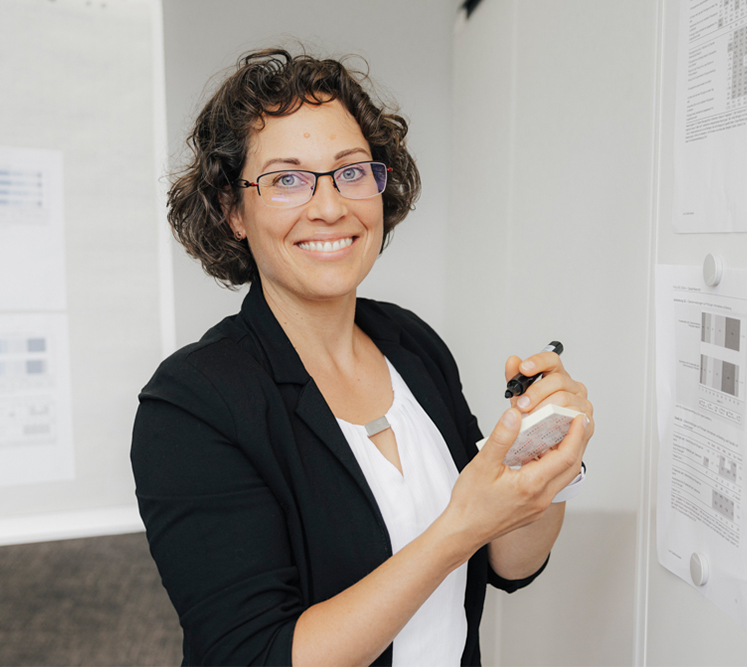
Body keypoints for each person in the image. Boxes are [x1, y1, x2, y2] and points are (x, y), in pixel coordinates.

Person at [131, 47, 594, 667]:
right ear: (232, 210)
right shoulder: (190, 406)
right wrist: (461, 525)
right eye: (287, 179)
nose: (330, 206)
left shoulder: (411, 343)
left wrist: (546, 462)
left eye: (352, 171)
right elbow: (255, 655)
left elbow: (510, 564)